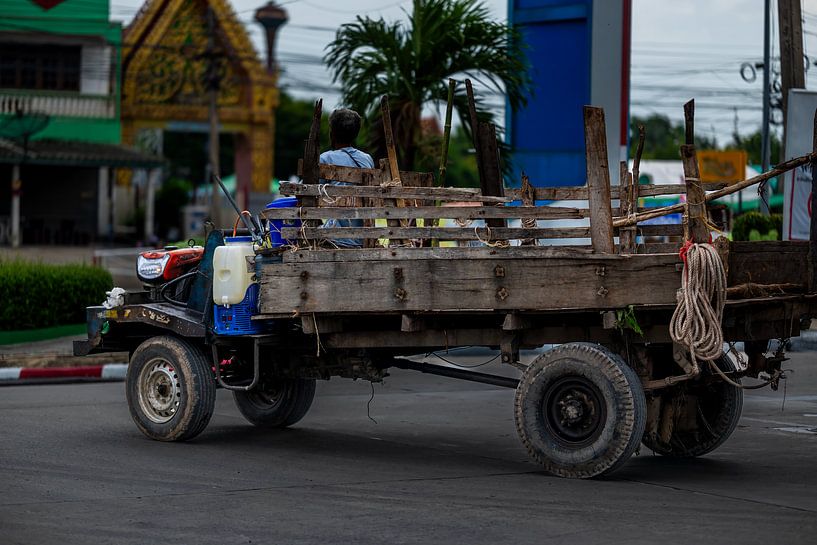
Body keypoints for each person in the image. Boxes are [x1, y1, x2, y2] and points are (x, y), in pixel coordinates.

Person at [318, 108, 374, 248]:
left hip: (336, 238)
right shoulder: (367, 159)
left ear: (332, 133)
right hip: (364, 239)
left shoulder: (326, 158)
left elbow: (308, 193)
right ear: (355, 134)